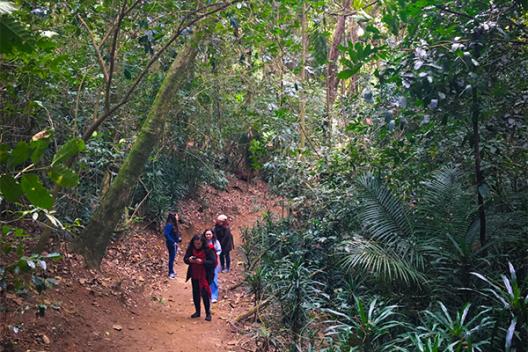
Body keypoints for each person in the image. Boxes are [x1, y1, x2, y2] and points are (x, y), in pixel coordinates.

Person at [183, 234, 216, 321]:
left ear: (202, 243)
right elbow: (185, 259)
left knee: (205, 293)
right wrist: (189, 260)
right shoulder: (191, 249)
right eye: (195, 243)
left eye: (199, 244)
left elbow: (213, 262)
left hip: (205, 275)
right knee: (196, 293)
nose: (197, 245)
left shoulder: (209, 249)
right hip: (194, 274)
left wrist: (202, 261)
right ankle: (197, 311)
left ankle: (208, 313)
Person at [204, 229, 222, 303]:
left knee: (214, 279)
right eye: (207, 234)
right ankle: (206, 294)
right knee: (205, 278)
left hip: (214, 263)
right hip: (205, 263)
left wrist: (215, 256)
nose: (208, 236)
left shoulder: (216, 242)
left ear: (212, 235)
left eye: (209, 234)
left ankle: (214, 296)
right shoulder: (203, 242)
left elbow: (219, 250)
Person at [163, 212, 181, 279]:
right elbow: (166, 234)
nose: (178, 217)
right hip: (171, 244)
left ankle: (172, 271)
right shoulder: (169, 225)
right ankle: (170, 273)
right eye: (176, 216)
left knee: (173, 258)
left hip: (174, 243)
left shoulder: (173, 225)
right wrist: (173, 241)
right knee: (171, 258)